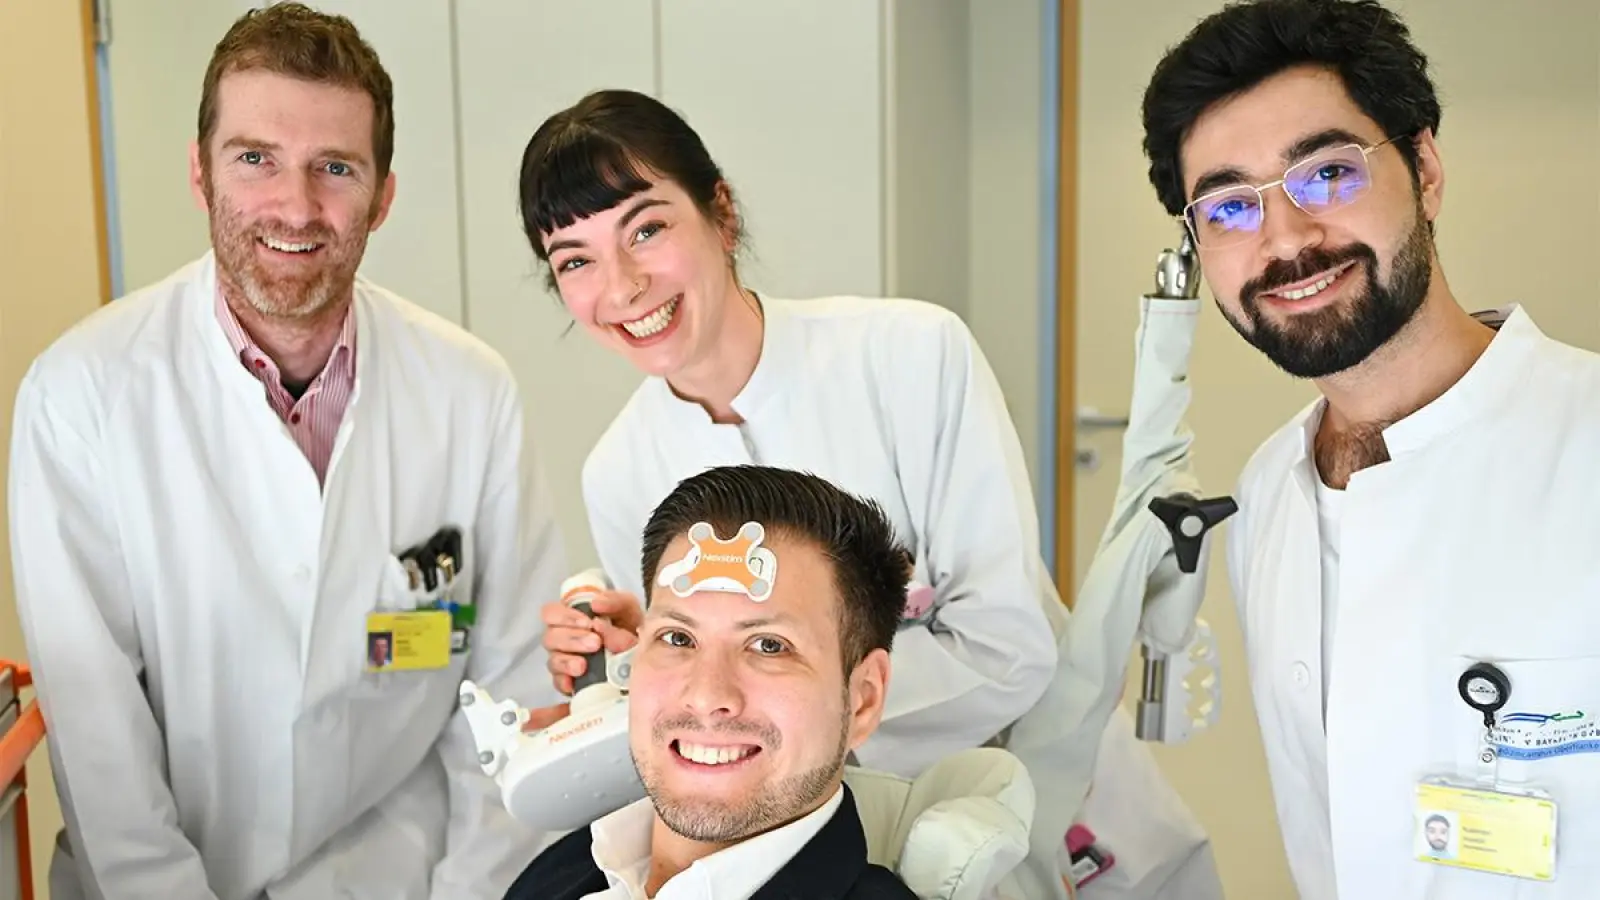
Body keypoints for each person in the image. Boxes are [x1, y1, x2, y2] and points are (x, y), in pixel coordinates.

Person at [517, 88, 1222, 899]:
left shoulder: (910, 358)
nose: (624, 286)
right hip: (830, 851)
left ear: (722, 214)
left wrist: (775, 667)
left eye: (647, 228)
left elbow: (1010, 645)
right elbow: (699, 725)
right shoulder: (619, 472)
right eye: (575, 260)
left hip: (1048, 790)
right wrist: (635, 673)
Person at [7, 5, 565, 899]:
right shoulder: (81, 398)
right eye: (255, 158)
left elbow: (511, 690)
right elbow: (99, 733)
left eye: (334, 168)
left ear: (382, 195)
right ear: (201, 173)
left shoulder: (471, 392)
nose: (295, 207)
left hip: (405, 876)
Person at [1141, 1, 1600, 897]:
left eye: (1326, 174)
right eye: (1230, 206)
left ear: (1424, 169)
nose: (1285, 240)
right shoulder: (1271, 492)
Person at [506, 465, 918, 899]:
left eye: (768, 646)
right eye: (678, 638)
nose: (705, 696)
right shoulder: (562, 871)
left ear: (864, 700)